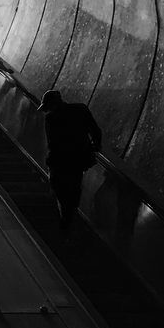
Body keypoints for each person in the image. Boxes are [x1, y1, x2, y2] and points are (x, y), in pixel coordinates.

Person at [40, 90, 102, 234]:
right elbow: (96, 130)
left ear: (52, 105)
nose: (47, 110)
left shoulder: (51, 118)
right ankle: (68, 220)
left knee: (58, 188)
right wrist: (95, 146)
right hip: (78, 161)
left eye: (47, 107)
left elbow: (53, 143)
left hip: (59, 162)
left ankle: (64, 222)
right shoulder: (81, 109)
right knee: (74, 189)